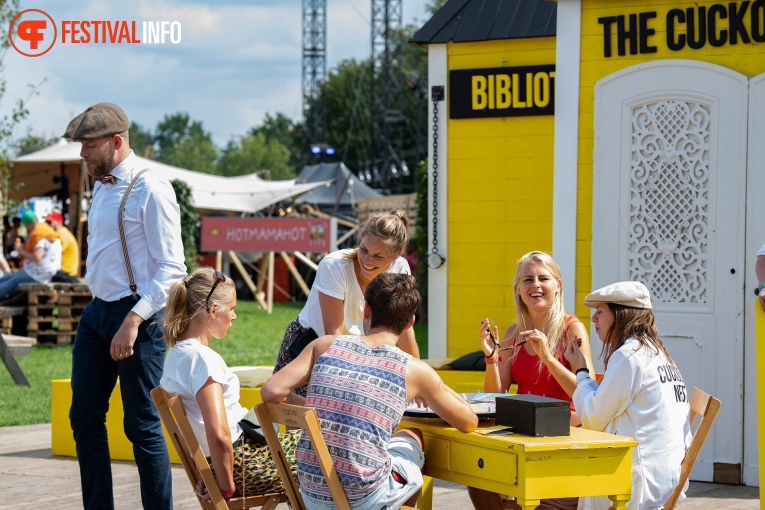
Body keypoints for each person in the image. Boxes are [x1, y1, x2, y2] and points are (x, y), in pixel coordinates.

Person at [262, 273, 478, 510]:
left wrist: (312, 407)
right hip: (365, 499)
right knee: (412, 436)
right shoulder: (414, 370)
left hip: (312, 493)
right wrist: (437, 387)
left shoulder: (325, 345)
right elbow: (468, 422)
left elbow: (271, 390)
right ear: (409, 323)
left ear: (366, 310)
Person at [65, 102, 187, 510]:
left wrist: (134, 319)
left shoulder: (152, 186)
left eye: (89, 145)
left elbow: (173, 269)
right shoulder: (101, 183)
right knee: (83, 418)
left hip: (139, 316)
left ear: (116, 142)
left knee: (141, 426)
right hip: (97, 313)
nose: (82, 154)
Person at [528, 281, 692, 510]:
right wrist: (582, 370)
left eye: (600, 311)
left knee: (534, 496)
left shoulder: (629, 357)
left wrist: (582, 372)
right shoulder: (659, 356)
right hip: (664, 483)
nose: (594, 318)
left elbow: (593, 418)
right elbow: (603, 404)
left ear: (621, 315)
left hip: (634, 488)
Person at [160, 267, 302, 501]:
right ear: (212, 310)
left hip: (223, 465)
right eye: (232, 308)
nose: (234, 316)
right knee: (329, 444)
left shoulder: (176, 356)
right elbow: (218, 434)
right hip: (244, 465)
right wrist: (224, 486)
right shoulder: (203, 360)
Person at [468, 251, 595, 510]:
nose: (535, 285)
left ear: (558, 286)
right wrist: (491, 358)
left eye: (543, 279)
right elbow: (495, 393)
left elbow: (588, 392)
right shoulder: (514, 332)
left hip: (565, 436)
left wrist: (547, 357)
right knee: (477, 478)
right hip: (524, 433)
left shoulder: (572, 329)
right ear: (517, 289)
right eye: (527, 280)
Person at [273, 210, 419, 396]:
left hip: (357, 349)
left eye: (378, 256)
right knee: (298, 416)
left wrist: (421, 380)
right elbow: (333, 335)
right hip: (312, 344)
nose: (367, 260)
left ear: (397, 254)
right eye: (364, 249)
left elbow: (403, 327)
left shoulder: (400, 269)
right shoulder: (334, 266)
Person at [0, 210, 62, 300]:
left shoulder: (38, 234)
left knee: (9, 283)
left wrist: (21, 250)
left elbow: (37, 257)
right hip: (39, 271)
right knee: (6, 278)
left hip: (39, 274)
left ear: (27, 224)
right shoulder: (44, 231)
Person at [45, 209, 81, 276]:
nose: (47, 224)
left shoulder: (61, 233)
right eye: (46, 221)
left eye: (50, 222)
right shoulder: (61, 232)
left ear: (59, 222)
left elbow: (50, 253)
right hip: (63, 272)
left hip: (66, 273)